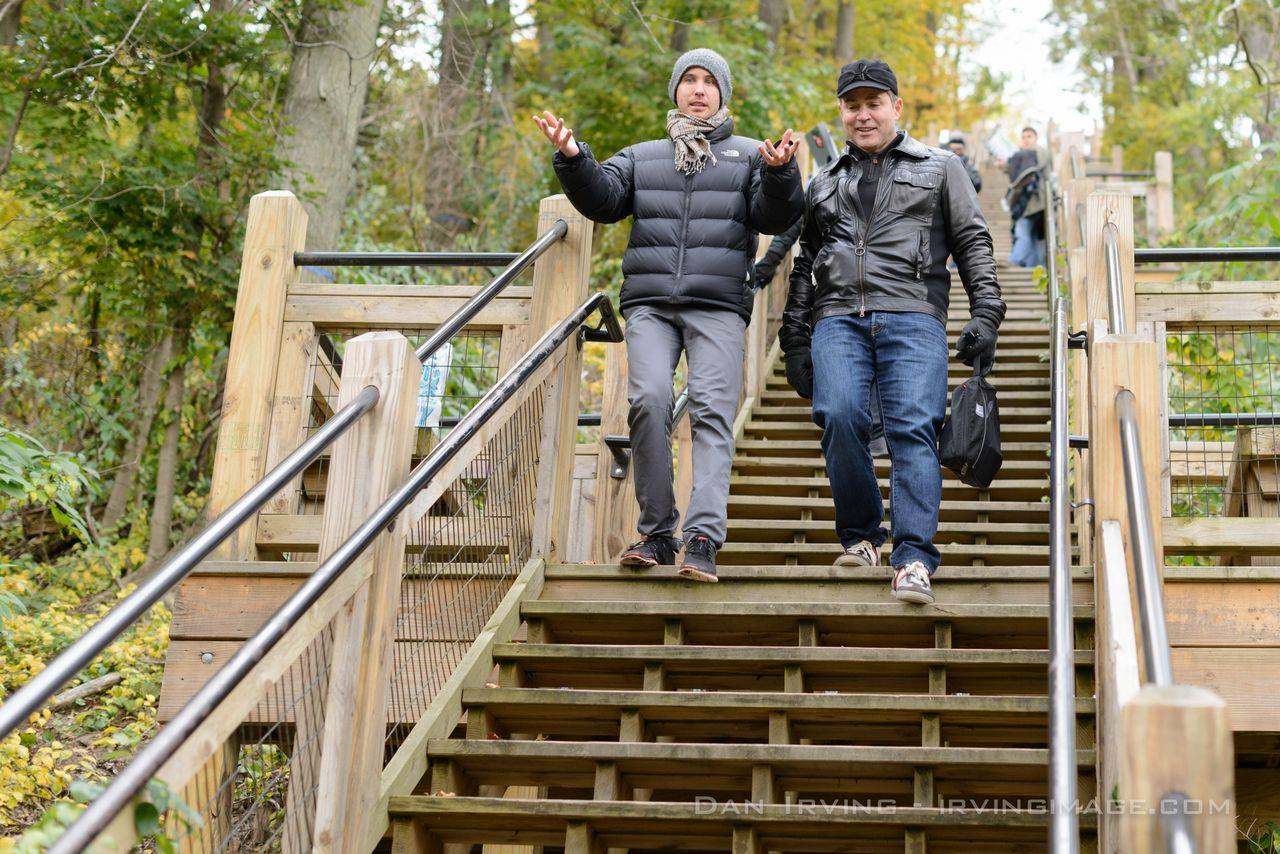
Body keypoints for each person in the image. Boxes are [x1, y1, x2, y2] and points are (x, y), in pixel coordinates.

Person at [533, 48, 804, 583]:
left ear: (722, 94)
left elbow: (774, 214)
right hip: (651, 302)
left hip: (719, 302)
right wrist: (572, 157)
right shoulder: (642, 155)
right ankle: (658, 534)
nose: (698, 90)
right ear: (676, 90)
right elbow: (605, 201)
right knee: (648, 400)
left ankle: (702, 539)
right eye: (690, 80)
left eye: (709, 82)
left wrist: (779, 173)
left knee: (710, 410)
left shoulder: (752, 155)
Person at [778, 58, 1005, 604]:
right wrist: (793, 338)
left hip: (914, 314)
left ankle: (913, 557)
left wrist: (987, 313)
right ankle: (861, 539)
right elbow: (806, 258)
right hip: (836, 319)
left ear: (896, 107)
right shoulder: (825, 180)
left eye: (873, 103)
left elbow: (973, 240)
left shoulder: (939, 167)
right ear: (841, 111)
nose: (862, 115)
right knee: (837, 414)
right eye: (851, 106)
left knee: (912, 428)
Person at [1005, 126, 1047, 267]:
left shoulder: (1040, 152)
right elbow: (1016, 173)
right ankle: (1034, 268)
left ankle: (1014, 260)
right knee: (1033, 237)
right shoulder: (1022, 154)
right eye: (1023, 137)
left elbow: (1036, 165)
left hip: (1037, 202)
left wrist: (1022, 153)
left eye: (1029, 136)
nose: (1026, 140)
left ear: (1036, 138)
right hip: (1026, 202)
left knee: (1023, 232)